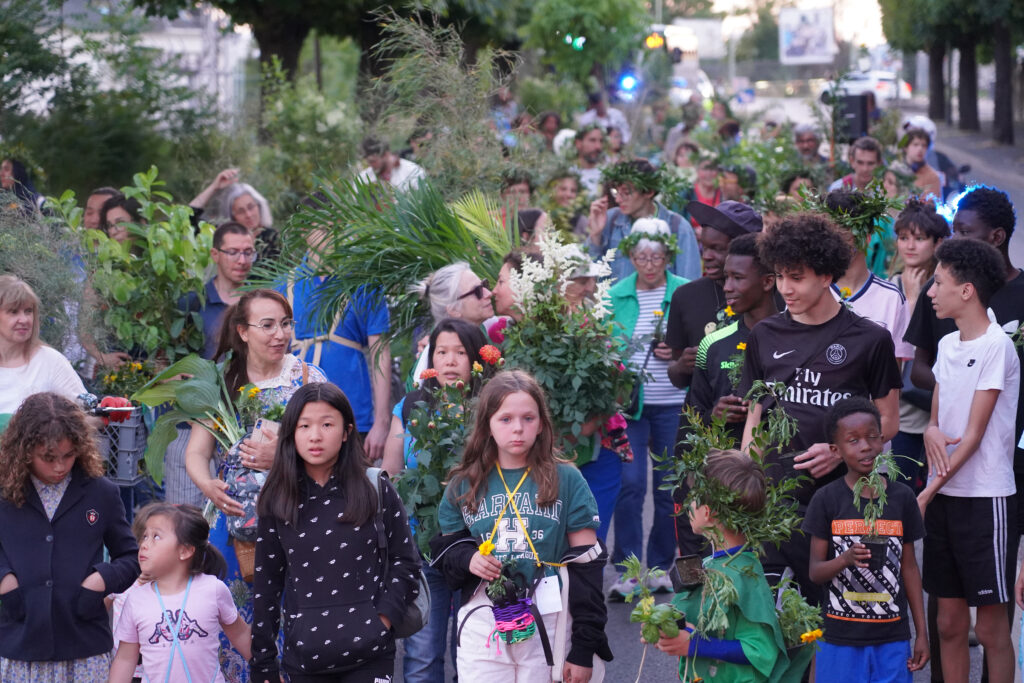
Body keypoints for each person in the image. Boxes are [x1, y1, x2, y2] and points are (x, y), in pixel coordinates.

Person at [738, 212, 902, 601]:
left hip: (842, 501)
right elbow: (755, 419)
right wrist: (745, 486)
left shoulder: (870, 339)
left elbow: (890, 421)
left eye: (796, 277)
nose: (785, 288)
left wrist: (838, 451)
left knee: (834, 612)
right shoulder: (764, 335)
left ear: (826, 276)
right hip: (776, 504)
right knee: (773, 614)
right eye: (780, 276)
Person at [431, 370, 612, 681]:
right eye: (505, 419)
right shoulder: (464, 483)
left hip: (551, 615)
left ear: (541, 424)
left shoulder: (567, 479)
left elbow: (588, 567)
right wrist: (468, 558)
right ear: (487, 425)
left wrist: (584, 647)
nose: (518, 428)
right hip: (483, 617)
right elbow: (448, 549)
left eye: (528, 418)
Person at [184, 289, 326, 682]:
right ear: (243, 331)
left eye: (285, 324)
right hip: (233, 523)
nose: (280, 334)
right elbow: (196, 452)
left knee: (298, 617)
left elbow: (336, 449)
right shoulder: (221, 380)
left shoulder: (308, 379)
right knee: (232, 617)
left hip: (297, 516)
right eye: (267, 325)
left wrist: (281, 456)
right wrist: (208, 485)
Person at [251, 382, 421, 683]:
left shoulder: (375, 488)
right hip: (304, 660)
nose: (315, 436)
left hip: (371, 656)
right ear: (291, 433)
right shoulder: (277, 498)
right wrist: (263, 663)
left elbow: (405, 562)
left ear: (346, 432)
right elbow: (267, 585)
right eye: (304, 426)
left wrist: (381, 622)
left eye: (327, 424)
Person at [916, 239, 1019, 683]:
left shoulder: (998, 345)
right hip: (944, 495)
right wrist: (930, 429)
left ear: (966, 290)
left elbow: (973, 436)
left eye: (938, 282)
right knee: (949, 624)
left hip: (985, 500)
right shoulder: (947, 344)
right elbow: (938, 421)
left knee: (992, 630)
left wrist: (927, 493)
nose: (930, 292)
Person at [903, 186, 1024, 520]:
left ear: (997, 236)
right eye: (953, 230)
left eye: (965, 232)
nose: (954, 240)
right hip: (950, 450)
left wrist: (992, 386)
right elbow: (918, 371)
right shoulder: (937, 293)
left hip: (1008, 450)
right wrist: (966, 385)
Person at [0, 392, 139, 679]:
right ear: (24, 450)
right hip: (19, 645)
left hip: (85, 647)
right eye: (48, 458)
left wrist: (101, 579)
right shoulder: (4, 494)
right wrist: (4, 579)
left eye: (68, 455)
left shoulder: (102, 493)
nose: (60, 466)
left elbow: (130, 558)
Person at [382, 318, 491, 683]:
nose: (450, 360)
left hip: (481, 547)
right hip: (424, 545)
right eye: (441, 352)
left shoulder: (490, 408)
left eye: (460, 352)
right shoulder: (412, 406)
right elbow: (391, 476)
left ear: (476, 358)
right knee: (422, 656)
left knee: (475, 654)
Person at [803, 397, 928, 681]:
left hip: (892, 637)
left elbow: (909, 568)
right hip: (839, 638)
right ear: (835, 450)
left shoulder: (902, 498)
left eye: (872, 437)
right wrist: (845, 559)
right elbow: (815, 572)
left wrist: (921, 633)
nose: (865, 446)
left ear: (883, 440)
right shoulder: (826, 500)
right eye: (853, 440)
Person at [606, 218, 688, 600]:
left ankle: (659, 567)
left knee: (669, 487)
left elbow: (701, 342)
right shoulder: (616, 295)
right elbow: (605, 345)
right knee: (630, 484)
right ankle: (627, 571)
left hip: (674, 402)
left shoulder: (684, 292)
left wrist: (678, 352)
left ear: (668, 256)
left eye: (657, 257)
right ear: (631, 257)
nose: (650, 264)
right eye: (641, 257)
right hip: (631, 406)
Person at [655, 450, 787, 681]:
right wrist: (662, 625)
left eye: (693, 498)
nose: (688, 505)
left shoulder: (744, 574)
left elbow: (760, 649)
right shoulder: (713, 562)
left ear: (707, 512)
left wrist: (695, 645)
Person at [284, 210, 392, 462]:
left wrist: (382, 422)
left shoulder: (364, 283)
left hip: (354, 415)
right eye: (324, 227)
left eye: (338, 228)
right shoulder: (284, 285)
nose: (333, 235)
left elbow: (380, 352)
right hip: (296, 417)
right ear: (304, 231)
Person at [166, 223, 257, 507]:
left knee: (238, 513)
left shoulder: (260, 304)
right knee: (185, 518)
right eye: (233, 252)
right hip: (192, 423)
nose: (242, 260)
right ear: (215, 254)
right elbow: (163, 362)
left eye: (248, 252)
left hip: (243, 428)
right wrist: (174, 379)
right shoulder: (192, 303)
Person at [109, 503, 251, 682]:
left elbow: (240, 634)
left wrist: (268, 670)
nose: (144, 544)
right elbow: (125, 659)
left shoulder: (213, 589)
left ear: (184, 551)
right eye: (145, 536)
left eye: (156, 536)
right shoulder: (136, 599)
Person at [686, 233, 778, 443]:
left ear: (768, 281)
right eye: (726, 277)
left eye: (737, 278)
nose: (727, 287)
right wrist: (714, 415)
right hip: (726, 461)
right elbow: (693, 420)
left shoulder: (797, 338)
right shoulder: (711, 344)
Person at [665, 201, 764, 392]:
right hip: (704, 409)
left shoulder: (776, 296)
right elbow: (677, 377)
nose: (706, 256)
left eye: (718, 248)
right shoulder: (685, 297)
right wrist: (681, 367)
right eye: (704, 247)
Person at [889, 200, 949, 492]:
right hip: (901, 412)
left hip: (937, 409)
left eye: (919, 238)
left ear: (938, 243)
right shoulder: (891, 284)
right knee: (899, 492)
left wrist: (914, 301)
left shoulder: (947, 288)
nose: (910, 246)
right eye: (903, 238)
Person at [825, 190, 914, 363]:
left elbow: (893, 374)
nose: (834, 242)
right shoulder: (810, 291)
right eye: (829, 233)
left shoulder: (891, 299)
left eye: (843, 233)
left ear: (866, 237)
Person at [586, 159, 701, 283]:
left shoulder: (678, 227)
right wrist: (595, 236)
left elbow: (690, 282)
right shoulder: (610, 220)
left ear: (649, 192)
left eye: (626, 193)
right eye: (616, 192)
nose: (618, 199)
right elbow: (589, 274)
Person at [0, 275, 86, 414]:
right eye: (13, 312)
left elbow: (86, 415)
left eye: (28, 311)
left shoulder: (50, 361)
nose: (24, 320)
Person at [189, 169, 280, 261]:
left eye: (251, 207)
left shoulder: (274, 237)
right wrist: (214, 187)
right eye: (241, 211)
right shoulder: (224, 239)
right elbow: (188, 216)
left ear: (259, 206)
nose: (248, 215)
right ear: (232, 217)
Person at [359, 136, 426, 192]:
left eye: (373, 161)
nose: (370, 165)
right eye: (368, 162)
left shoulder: (413, 172)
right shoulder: (363, 178)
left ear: (386, 154)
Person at [901, 127, 942, 199]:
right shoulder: (894, 171)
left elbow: (931, 203)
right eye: (915, 144)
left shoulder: (933, 177)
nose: (920, 149)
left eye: (924, 145)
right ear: (905, 147)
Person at [571, 125, 606, 199]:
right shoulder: (568, 172)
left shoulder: (606, 175)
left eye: (601, 141)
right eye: (592, 140)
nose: (598, 146)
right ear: (578, 143)